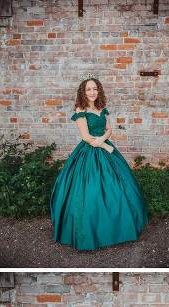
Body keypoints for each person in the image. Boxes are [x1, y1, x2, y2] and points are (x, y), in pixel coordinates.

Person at [50, 77, 147, 250]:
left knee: (119, 188)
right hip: (88, 152)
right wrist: (104, 146)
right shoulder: (81, 110)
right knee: (89, 191)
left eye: (95, 89)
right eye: (88, 89)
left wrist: (103, 140)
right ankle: (90, 232)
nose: (92, 92)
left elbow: (109, 129)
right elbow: (86, 137)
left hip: (105, 148)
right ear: (83, 92)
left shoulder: (101, 108)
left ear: (99, 90)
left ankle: (119, 227)